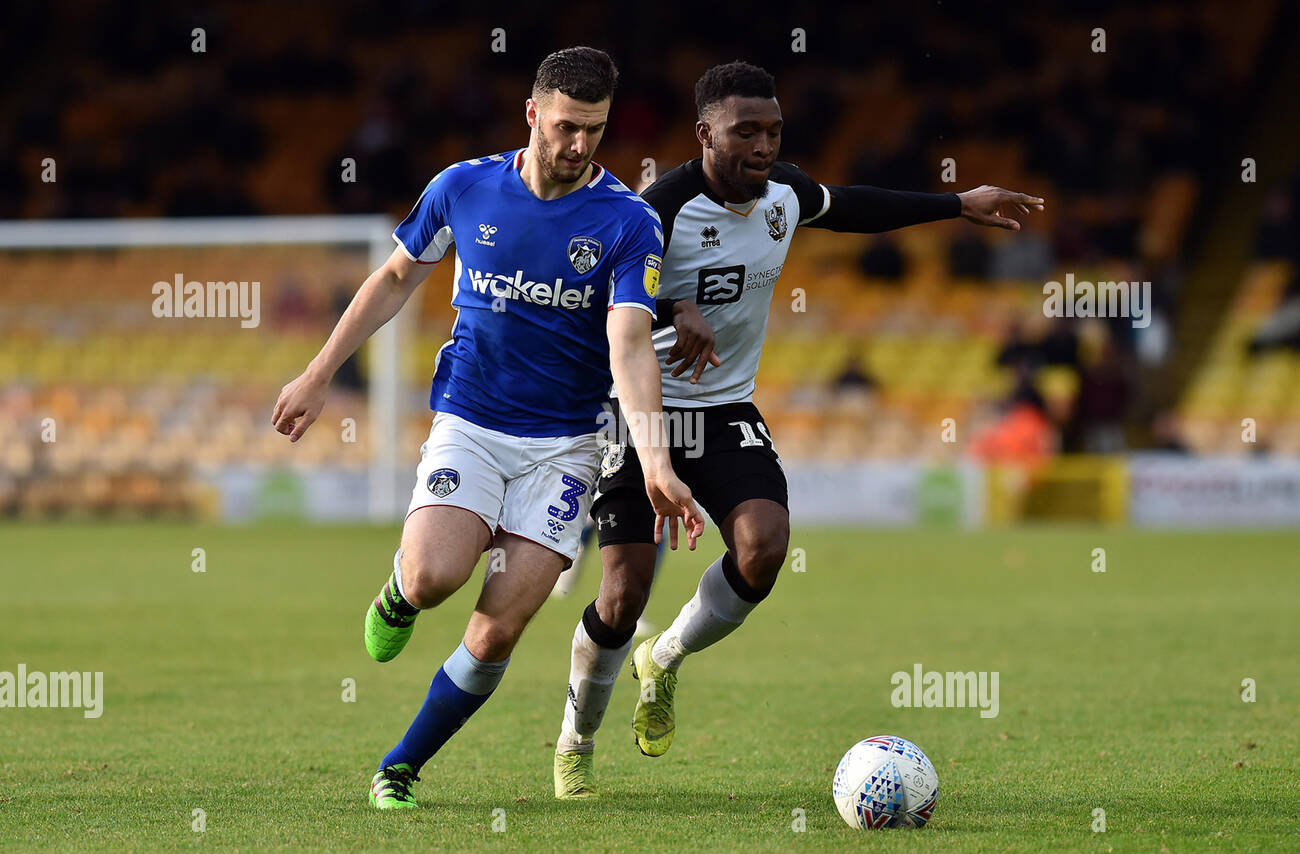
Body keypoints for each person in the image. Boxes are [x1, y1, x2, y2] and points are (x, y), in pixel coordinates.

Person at [553, 61, 1043, 797]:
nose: (762, 145)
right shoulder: (656, 209)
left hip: (723, 408)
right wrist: (670, 307)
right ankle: (576, 741)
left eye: (773, 131)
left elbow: (848, 205)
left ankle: (665, 662)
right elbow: (595, 302)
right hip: (640, 408)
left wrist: (954, 204)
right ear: (704, 133)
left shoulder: (785, 192)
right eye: (745, 131)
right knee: (621, 595)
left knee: (764, 548)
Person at [271, 46, 704, 810]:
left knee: (500, 629)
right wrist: (318, 372)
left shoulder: (628, 222)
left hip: (567, 449)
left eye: (594, 132)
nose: (577, 146)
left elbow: (631, 343)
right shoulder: (464, 187)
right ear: (533, 113)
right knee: (437, 577)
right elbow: (398, 275)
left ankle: (399, 767)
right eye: (566, 126)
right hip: (470, 424)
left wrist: (656, 461)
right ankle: (400, 595)